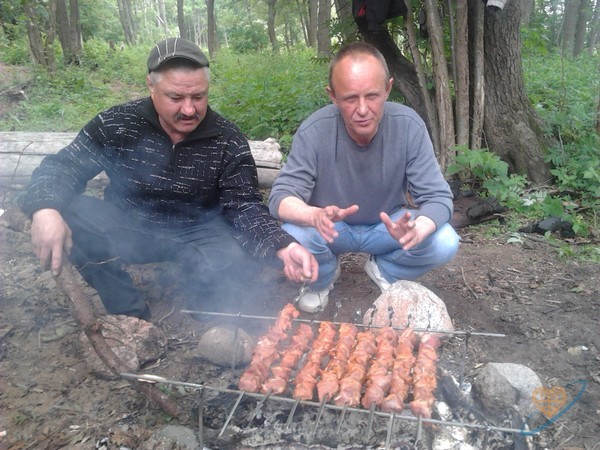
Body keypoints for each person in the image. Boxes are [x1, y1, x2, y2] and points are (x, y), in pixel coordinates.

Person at [18, 37, 318, 320]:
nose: (189, 109)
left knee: (234, 269)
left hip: (198, 233)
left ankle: (204, 303)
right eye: (176, 97)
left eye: (198, 96)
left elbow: (244, 207)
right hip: (127, 225)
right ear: (151, 86)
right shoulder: (117, 123)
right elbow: (63, 166)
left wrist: (282, 244)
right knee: (71, 212)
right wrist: (45, 209)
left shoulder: (227, 139)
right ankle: (129, 314)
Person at [268, 42, 459, 313]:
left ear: (388, 89)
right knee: (291, 234)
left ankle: (385, 270)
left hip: (387, 227)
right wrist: (314, 216)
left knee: (444, 240)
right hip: (331, 229)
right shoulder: (315, 130)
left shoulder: (408, 125)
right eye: (349, 98)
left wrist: (421, 227)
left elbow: (438, 197)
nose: (362, 109)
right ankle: (322, 278)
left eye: (372, 96)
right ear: (332, 96)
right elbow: (280, 197)